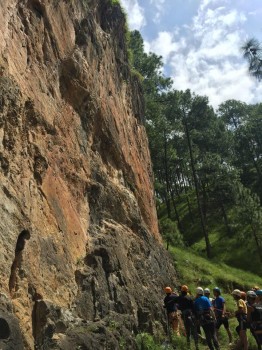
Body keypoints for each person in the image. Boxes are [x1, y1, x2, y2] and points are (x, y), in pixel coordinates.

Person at [176, 285, 199, 349]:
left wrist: (165, 305)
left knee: (188, 332)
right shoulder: (190, 297)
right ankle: (197, 346)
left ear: (181, 291)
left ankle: (188, 347)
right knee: (194, 331)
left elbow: (173, 302)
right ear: (187, 291)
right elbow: (193, 308)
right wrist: (197, 317)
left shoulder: (179, 297)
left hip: (185, 317)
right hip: (191, 315)